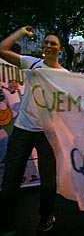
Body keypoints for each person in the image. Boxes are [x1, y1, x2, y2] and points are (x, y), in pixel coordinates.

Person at [0, 27, 69, 234]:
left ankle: (46, 217)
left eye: (53, 44)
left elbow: (70, 104)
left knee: (48, 181)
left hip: (48, 133)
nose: (48, 46)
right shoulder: (33, 63)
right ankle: (6, 223)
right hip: (22, 129)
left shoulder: (65, 76)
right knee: (11, 177)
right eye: (46, 43)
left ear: (61, 50)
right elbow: (2, 49)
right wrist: (20, 32)